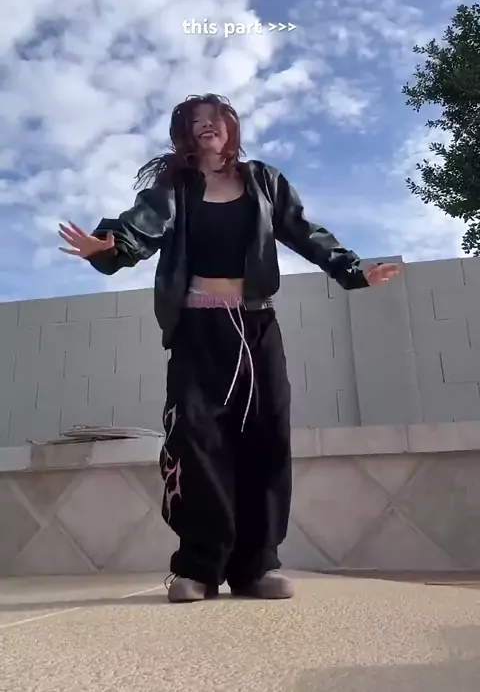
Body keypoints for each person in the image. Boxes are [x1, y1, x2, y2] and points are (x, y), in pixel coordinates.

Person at [58, 93, 400, 603]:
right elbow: (139, 227)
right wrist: (110, 246)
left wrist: (352, 269)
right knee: (196, 444)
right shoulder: (173, 188)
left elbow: (304, 231)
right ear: (184, 134)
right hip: (197, 331)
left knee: (266, 441)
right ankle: (198, 568)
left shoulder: (263, 181)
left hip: (256, 327)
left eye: (214, 118)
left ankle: (257, 567)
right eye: (195, 121)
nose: (206, 126)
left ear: (230, 127)